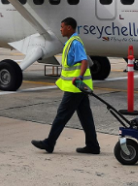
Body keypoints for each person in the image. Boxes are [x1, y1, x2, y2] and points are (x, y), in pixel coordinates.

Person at [32, 17, 100, 154]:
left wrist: (79, 77)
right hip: (78, 87)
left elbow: (84, 61)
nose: (60, 29)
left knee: (61, 115)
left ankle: (49, 143)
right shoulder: (71, 42)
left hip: (75, 87)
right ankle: (93, 145)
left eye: (62, 26)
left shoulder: (75, 43)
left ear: (69, 27)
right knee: (85, 117)